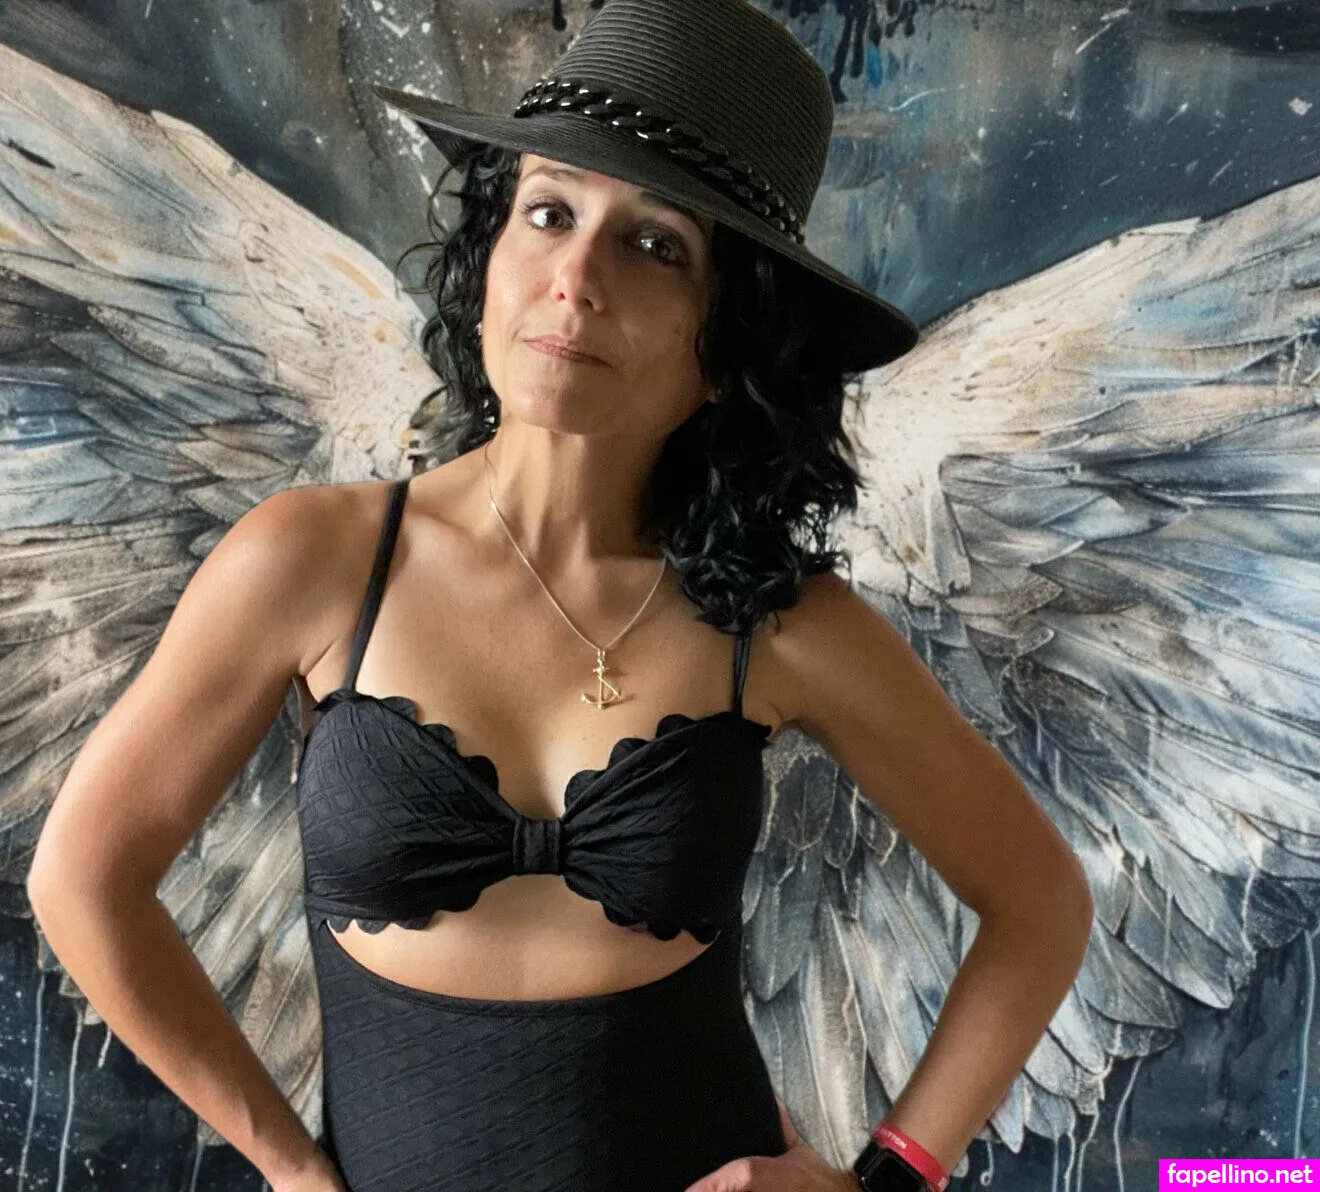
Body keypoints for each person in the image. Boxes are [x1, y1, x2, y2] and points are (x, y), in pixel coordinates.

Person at [26, 1, 1094, 1191]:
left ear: (727, 339)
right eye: (549, 212)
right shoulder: (315, 560)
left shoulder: (780, 624)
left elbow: (1040, 900)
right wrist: (289, 1169)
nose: (577, 277)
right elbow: (82, 879)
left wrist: (887, 1179)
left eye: (656, 245)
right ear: (488, 260)